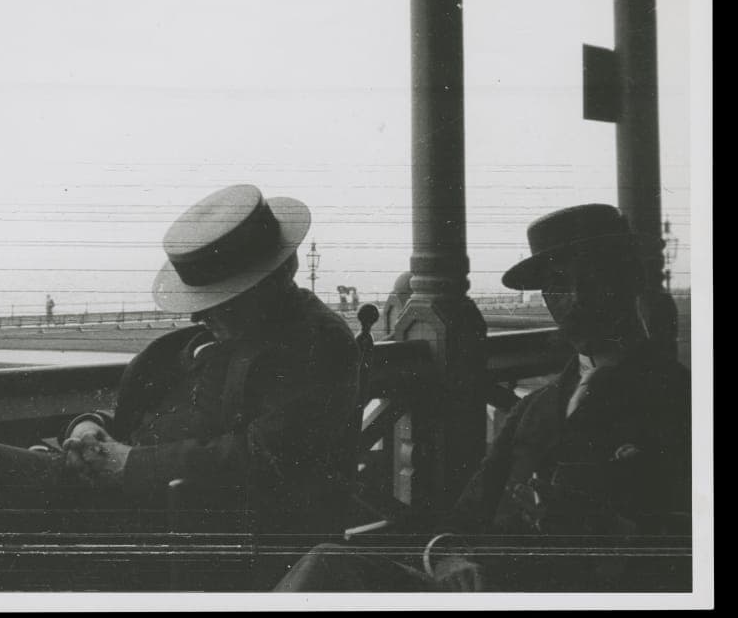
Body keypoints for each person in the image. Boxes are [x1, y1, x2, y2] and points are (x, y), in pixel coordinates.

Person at [0, 185, 361, 588]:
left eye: (222, 300)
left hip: (196, 540)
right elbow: (142, 408)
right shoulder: (221, 338)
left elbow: (267, 464)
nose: (206, 315)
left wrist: (126, 464)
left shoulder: (314, 342)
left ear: (277, 276)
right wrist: (90, 425)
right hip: (150, 514)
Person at [275, 203, 691, 593]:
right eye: (558, 284)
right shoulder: (536, 408)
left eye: (594, 279)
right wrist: (449, 557)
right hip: (484, 588)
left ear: (629, 280)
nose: (576, 299)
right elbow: (461, 521)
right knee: (324, 563)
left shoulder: (681, 402)